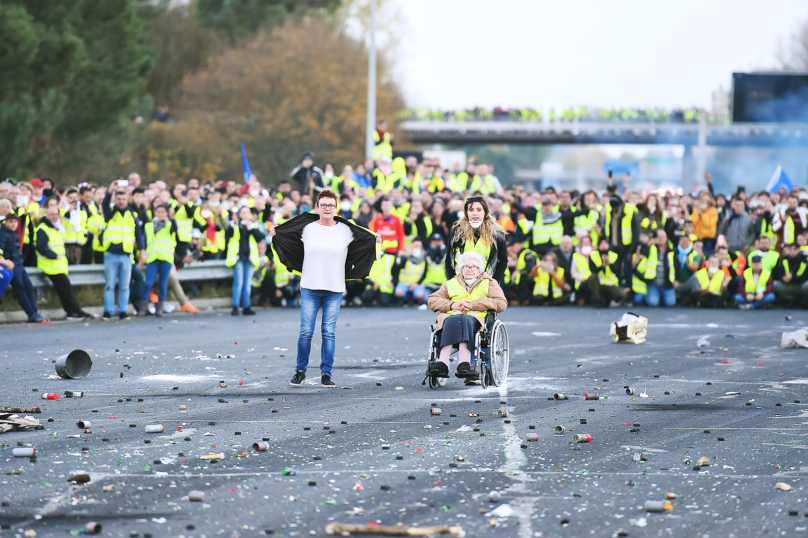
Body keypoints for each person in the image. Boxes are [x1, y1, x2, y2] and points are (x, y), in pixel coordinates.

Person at [271, 189, 381, 388]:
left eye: (331, 205)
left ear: (336, 208)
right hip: (309, 287)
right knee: (306, 332)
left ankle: (326, 374)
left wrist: (376, 241)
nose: (327, 208)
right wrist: (276, 234)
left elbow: (364, 241)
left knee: (328, 332)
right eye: (324, 205)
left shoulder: (346, 230)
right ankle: (300, 371)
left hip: (334, 288)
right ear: (317, 207)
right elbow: (288, 238)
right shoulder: (307, 228)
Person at [426, 251, 507, 383]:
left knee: (464, 319)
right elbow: (432, 300)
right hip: (452, 318)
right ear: (460, 269)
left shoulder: (489, 283)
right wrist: (453, 305)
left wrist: (474, 304)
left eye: (473, 267)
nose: (469, 270)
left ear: (480, 269)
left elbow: (501, 303)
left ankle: (464, 362)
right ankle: (443, 363)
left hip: (476, 320)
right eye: (466, 267)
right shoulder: (451, 283)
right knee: (452, 319)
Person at [35, 204, 92, 321]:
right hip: (50, 265)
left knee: (64, 290)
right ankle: (74, 311)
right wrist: (53, 256)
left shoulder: (54, 227)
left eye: (56, 214)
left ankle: (74, 311)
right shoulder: (43, 228)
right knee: (66, 290)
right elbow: (41, 246)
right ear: (46, 215)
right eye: (52, 214)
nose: (55, 216)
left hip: (57, 265)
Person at [102, 182, 146, 319]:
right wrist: (110, 191)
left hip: (127, 255)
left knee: (125, 286)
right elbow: (104, 205)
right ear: (115, 200)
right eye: (118, 199)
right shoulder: (110, 213)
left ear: (127, 200)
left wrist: (142, 250)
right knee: (110, 285)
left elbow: (138, 234)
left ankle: (122, 310)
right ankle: (108, 311)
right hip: (112, 254)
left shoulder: (132, 215)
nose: (121, 202)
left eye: (123, 199)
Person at [445, 196, 507, 285]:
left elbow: (503, 260)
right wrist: (453, 282)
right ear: (466, 213)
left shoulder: (497, 233)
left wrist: (494, 282)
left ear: (485, 212)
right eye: (471, 210)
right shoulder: (457, 231)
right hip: (459, 284)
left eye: (479, 210)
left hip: (485, 284)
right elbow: (448, 259)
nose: (475, 213)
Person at [0, 213, 48, 323]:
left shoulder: (13, 234)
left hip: (19, 264)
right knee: (20, 289)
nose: (13, 224)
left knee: (29, 287)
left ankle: (34, 313)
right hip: (11, 266)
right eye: (10, 221)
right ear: (5, 222)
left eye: (15, 222)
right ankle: (31, 314)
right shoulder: (3, 234)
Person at [137, 205, 178, 317]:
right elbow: (144, 241)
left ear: (166, 213)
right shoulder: (149, 225)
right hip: (153, 258)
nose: (160, 214)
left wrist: (172, 217)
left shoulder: (170, 224)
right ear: (155, 213)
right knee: (148, 283)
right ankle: (143, 308)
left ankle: (159, 308)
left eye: (163, 212)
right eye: (158, 212)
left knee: (162, 284)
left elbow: (175, 229)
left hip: (165, 258)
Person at [226, 205, 266, 316]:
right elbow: (228, 234)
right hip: (237, 258)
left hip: (250, 258)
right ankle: (235, 306)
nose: (246, 214)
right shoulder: (235, 225)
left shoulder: (254, 225)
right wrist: (234, 223)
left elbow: (260, 237)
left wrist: (251, 227)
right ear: (239, 214)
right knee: (238, 282)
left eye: (248, 212)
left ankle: (246, 306)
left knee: (247, 283)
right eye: (243, 212)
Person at [632, 230, 678, 307]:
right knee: (652, 303)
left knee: (671, 303)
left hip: (667, 284)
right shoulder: (651, 249)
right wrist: (649, 244)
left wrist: (676, 280)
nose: (661, 239)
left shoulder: (671, 250)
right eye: (659, 237)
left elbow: (676, 266)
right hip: (653, 283)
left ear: (666, 238)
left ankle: (661, 298)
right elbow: (642, 255)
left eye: (663, 237)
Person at [393, 238, 428, 305]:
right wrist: (406, 256)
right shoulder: (406, 257)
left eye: (419, 246)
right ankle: (405, 299)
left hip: (417, 284)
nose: (417, 248)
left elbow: (424, 274)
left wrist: (417, 283)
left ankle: (416, 300)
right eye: (415, 246)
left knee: (420, 295)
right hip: (405, 283)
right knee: (398, 292)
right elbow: (397, 269)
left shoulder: (424, 257)